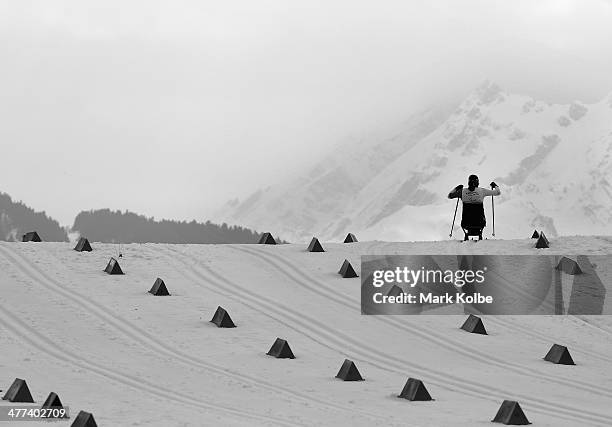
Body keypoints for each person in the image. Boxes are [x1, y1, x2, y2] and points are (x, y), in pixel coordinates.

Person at [448, 174, 500, 240]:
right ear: (476, 182)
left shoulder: (462, 192)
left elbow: (449, 196)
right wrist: (495, 186)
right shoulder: (482, 191)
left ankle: (466, 235)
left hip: (466, 223)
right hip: (480, 223)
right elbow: (498, 192)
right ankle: (480, 235)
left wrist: (456, 188)